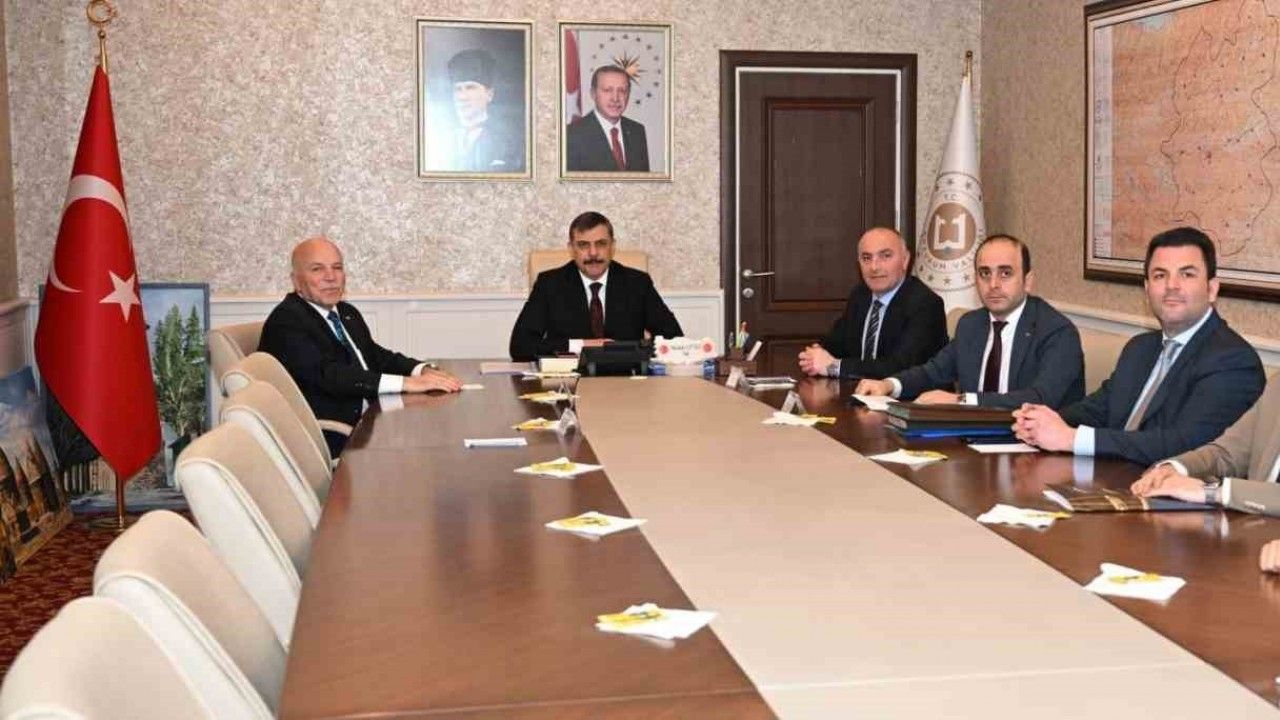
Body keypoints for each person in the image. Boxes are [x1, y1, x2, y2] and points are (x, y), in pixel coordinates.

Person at [1014, 227, 1264, 465]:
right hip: (1110, 478)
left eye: (1187, 274)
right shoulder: (1140, 348)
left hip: (1173, 492)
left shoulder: (1233, 361)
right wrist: (1039, 421)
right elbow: (1098, 410)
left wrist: (1072, 439)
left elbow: (1185, 446)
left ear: (1211, 289)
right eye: (1160, 275)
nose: (1172, 285)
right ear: (1147, 289)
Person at [260, 236, 462, 456]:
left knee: (445, 436)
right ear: (296, 280)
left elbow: (376, 356)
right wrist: (407, 383)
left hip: (373, 422)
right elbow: (330, 376)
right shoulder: (287, 321)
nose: (330, 277)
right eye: (317, 269)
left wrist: (421, 370)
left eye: (337, 268)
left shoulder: (346, 312)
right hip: (334, 439)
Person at [853, 234, 1084, 409]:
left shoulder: (1057, 332)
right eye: (985, 273)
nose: (993, 284)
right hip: (973, 440)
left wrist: (960, 401)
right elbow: (933, 372)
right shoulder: (971, 325)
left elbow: (1040, 398)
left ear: (1028, 281)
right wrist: (889, 385)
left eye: (1005, 273)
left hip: (1037, 448)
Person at [509, 211, 681, 361]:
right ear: (571, 249)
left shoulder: (637, 283)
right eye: (583, 245)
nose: (593, 253)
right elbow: (520, 346)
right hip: (569, 380)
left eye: (601, 244)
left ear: (612, 247)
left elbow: (674, 339)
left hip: (625, 379)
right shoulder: (550, 284)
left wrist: (632, 351)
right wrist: (582, 345)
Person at [798, 227, 947, 380]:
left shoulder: (926, 304)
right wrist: (815, 355)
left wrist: (834, 366)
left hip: (912, 394)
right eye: (866, 258)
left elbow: (900, 367)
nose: (874, 267)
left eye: (885, 256)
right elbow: (835, 344)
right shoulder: (860, 295)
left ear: (905, 260)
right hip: (860, 391)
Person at [444, 49, 523, 173]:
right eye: (458, 89)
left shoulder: (508, 141)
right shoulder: (442, 137)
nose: (462, 97)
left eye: (470, 87)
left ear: (489, 94)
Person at [565, 66, 649, 172]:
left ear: (628, 94)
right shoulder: (571, 135)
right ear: (593, 94)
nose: (615, 98)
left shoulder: (637, 131)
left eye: (622, 91)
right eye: (607, 90)